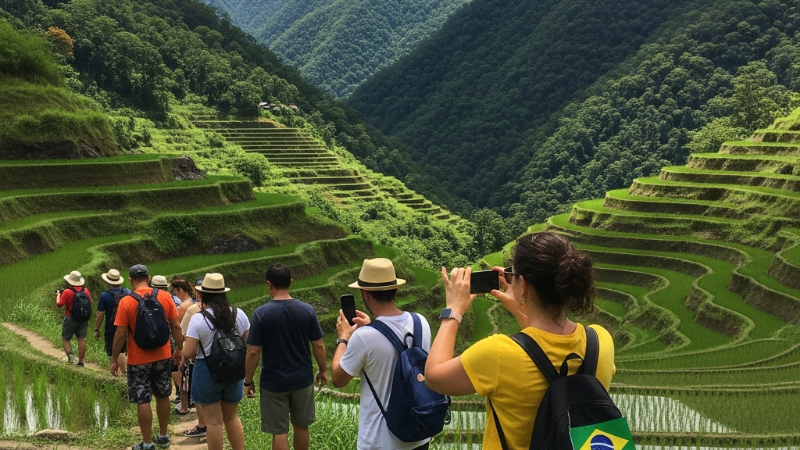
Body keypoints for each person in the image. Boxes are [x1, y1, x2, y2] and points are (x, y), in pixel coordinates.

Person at [424, 232, 616, 450]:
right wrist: (519, 308)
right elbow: (544, 349)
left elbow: (433, 377)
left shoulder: (498, 353)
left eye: (511, 274)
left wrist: (453, 311)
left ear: (523, 285)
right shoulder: (600, 341)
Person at [331, 258, 432, 450]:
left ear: (366, 294)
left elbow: (338, 379)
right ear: (396, 289)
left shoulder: (363, 337)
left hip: (380, 441)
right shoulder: (421, 323)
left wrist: (343, 338)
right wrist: (373, 327)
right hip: (419, 436)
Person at [244, 264, 328, 450]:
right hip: (302, 379)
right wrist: (322, 370)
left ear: (269, 284)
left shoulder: (261, 313)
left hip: (273, 383)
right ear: (290, 282)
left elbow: (253, 351)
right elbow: (319, 345)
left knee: (279, 431)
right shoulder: (307, 310)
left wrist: (248, 381)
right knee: (301, 426)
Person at [111, 264, 184, 450]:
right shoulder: (165, 296)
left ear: (130, 280)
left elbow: (120, 334)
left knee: (143, 400)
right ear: (149, 278)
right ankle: (164, 435)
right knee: (163, 395)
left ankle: (147, 443)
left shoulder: (126, 301)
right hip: (163, 355)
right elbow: (176, 326)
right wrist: (179, 349)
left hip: (138, 359)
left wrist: (114, 359)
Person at [183, 273, 250, 450]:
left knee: (213, 422)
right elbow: (247, 342)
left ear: (204, 294)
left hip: (207, 371)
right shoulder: (239, 314)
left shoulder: (198, 318)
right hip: (234, 370)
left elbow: (189, 351)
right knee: (232, 417)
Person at [180, 277, 208, 438]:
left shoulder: (192, 311)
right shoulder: (229, 310)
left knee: (198, 395)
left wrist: (182, 358)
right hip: (223, 362)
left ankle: (203, 424)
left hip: (198, 360)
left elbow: (185, 337)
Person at [94, 269, 131, 372]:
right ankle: (124, 372)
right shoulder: (128, 292)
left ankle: (121, 373)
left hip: (112, 327)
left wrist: (96, 329)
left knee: (114, 351)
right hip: (127, 325)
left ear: (107, 281)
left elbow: (100, 314)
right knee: (122, 349)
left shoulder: (105, 295)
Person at [56, 270, 92, 367]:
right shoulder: (86, 290)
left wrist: (58, 295)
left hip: (71, 317)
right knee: (81, 339)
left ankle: (71, 358)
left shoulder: (67, 291)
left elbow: (59, 304)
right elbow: (90, 301)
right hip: (84, 318)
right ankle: (81, 362)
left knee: (65, 338)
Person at [171, 276, 196, 415]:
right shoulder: (192, 303)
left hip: (182, 341)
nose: (174, 293)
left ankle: (184, 401)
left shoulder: (184, 307)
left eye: (175, 290)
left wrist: (178, 348)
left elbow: (178, 327)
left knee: (178, 370)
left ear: (180, 290)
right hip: (190, 342)